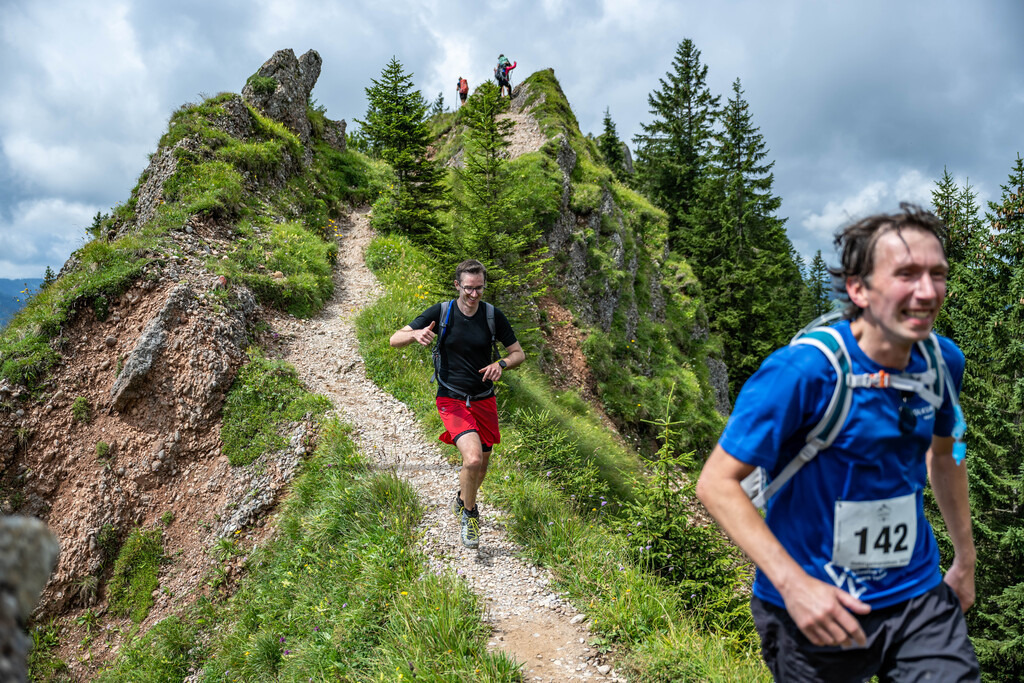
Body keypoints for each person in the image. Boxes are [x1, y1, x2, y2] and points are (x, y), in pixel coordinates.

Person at [696, 205, 979, 682]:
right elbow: (716, 484)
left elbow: (947, 455)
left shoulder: (942, 362)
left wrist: (965, 559)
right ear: (858, 288)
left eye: (938, 274)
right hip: (816, 607)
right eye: (906, 274)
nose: (927, 292)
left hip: (917, 595)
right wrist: (795, 587)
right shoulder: (802, 372)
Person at [390, 260, 524, 549]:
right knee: (472, 459)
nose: (474, 295)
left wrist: (501, 364)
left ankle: (463, 498)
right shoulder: (442, 312)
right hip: (451, 398)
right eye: (468, 289)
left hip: (484, 399)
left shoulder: (492, 315)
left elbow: (518, 353)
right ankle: (470, 515)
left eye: (479, 288)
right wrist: (414, 334)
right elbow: (393, 339)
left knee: (481, 468)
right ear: (457, 285)